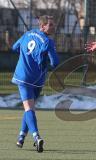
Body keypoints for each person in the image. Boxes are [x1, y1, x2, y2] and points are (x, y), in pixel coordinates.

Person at [12, 15, 59, 152]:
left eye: (53, 24)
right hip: (37, 79)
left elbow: (15, 47)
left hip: (23, 76)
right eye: (50, 25)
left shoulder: (27, 33)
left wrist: (25, 56)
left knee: (29, 109)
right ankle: (29, 137)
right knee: (30, 108)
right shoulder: (48, 41)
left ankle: (28, 137)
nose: (53, 27)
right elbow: (55, 62)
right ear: (42, 26)